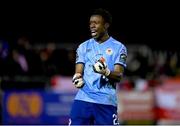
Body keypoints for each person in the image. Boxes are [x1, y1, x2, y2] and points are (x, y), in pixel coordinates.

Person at [69, 8, 127, 125]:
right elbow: (78, 71)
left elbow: (119, 75)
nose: (92, 25)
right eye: (91, 23)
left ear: (106, 25)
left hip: (105, 101)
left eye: (96, 23)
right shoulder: (83, 47)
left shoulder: (119, 47)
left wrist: (106, 72)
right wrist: (77, 78)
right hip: (83, 100)